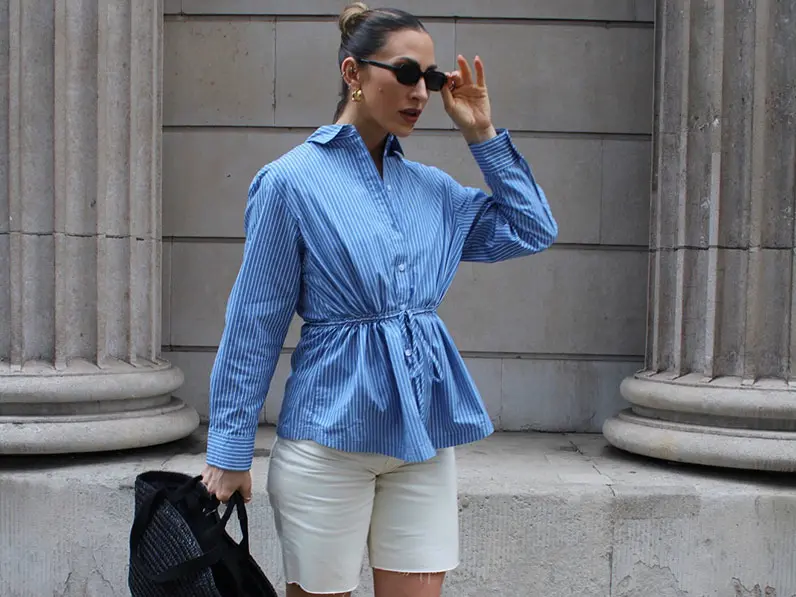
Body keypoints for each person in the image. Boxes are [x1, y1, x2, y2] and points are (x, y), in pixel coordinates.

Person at [200, 3, 558, 596]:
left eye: (433, 78)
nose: (423, 92)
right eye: (407, 73)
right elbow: (255, 322)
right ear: (353, 73)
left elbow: (531, 227)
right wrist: (231, 448)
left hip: (421, 439)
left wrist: (482, 135)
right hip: (327, 442)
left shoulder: (432, 191)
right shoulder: (290, 182)